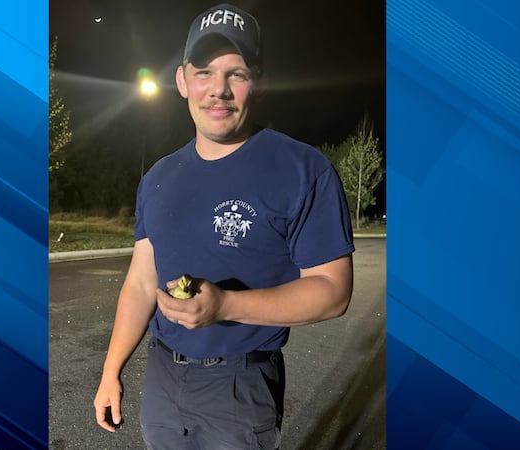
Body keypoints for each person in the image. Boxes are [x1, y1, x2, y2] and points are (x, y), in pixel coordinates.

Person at [93, 3, 355, 449]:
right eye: (204, 72)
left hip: (241, 384)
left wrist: (226, 305)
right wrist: (110, 371)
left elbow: (333, 291)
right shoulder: (158, 178)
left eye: (237, 73)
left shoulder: (302, 169)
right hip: (162, 381)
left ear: (260, 83)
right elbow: (141, 282)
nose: (219, 90)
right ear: (181, 80)